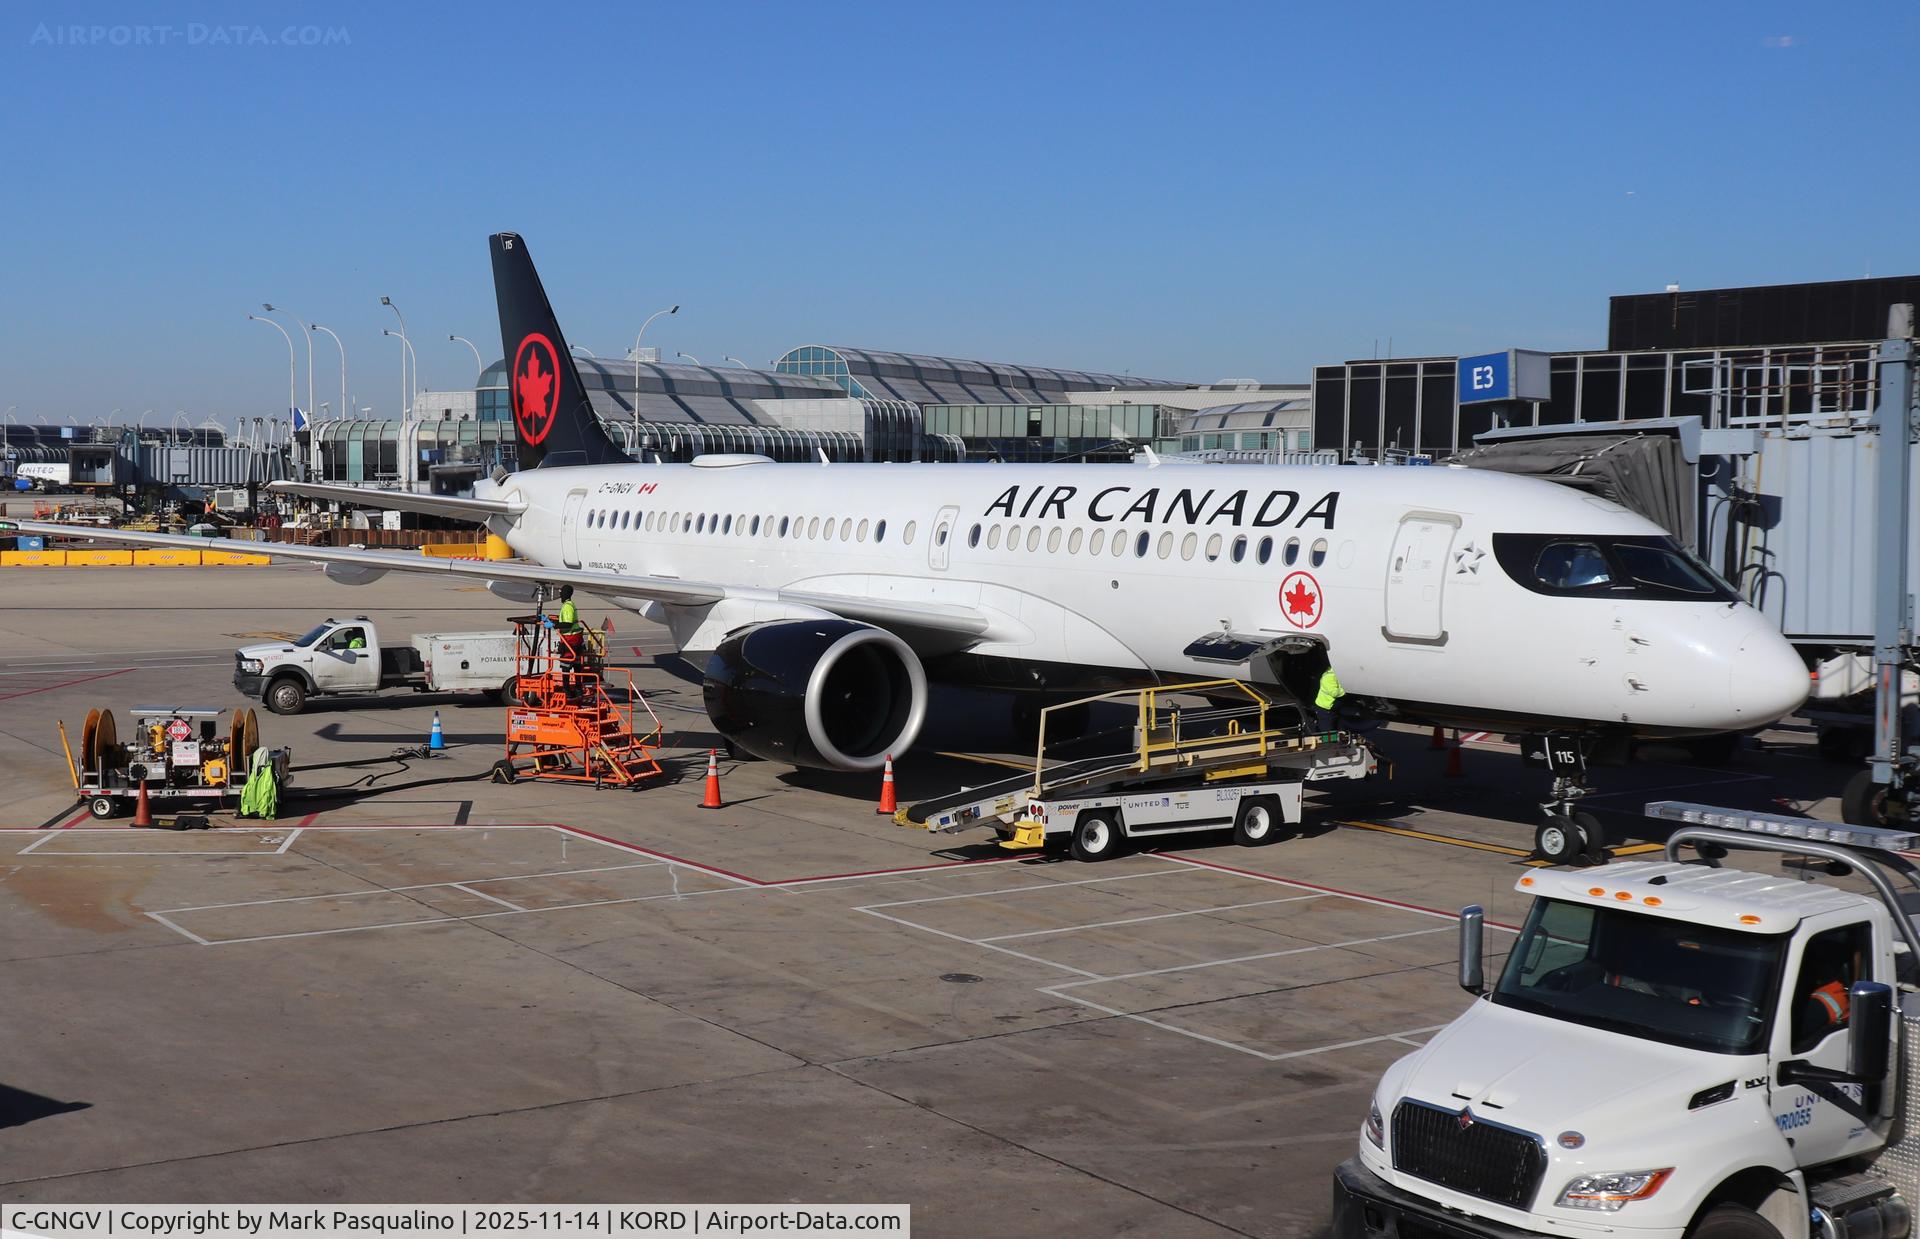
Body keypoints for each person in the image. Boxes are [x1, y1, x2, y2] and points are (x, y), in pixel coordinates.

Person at [1313, 661, 1345, 732]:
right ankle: (1327, 742)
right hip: (1325, 709)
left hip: (1329, 708)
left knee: (1334, 724)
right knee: (1327, 730)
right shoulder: (1329, 677)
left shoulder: (1334, 674)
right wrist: (1345, 690)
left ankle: (1336, 738)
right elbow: (1334, 692)